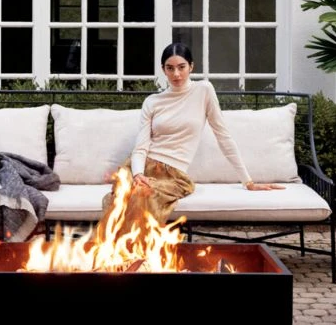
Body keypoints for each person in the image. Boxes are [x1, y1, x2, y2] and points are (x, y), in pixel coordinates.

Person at [101, 42, 284, 233]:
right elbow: (140, 148)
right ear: (163, 70)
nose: (176, 74)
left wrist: (248, 181)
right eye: (170, 68)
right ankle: (115, 249)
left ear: (191, 67)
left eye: (181, 67)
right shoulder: (152, 102)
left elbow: (223, 136)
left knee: (142, 196)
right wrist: (138, 174)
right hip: (141, 167)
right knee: (122, 197)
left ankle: (132, 248)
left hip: (173, 175)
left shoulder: (204, 90)